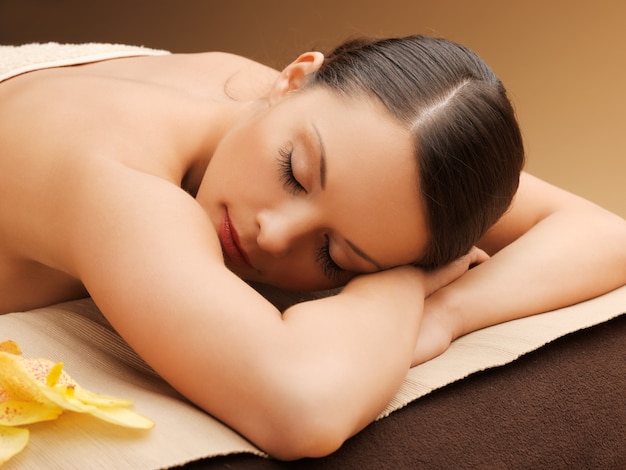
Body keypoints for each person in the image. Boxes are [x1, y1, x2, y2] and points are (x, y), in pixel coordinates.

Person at [0, 35, 625, 459]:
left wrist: (447, 311)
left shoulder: (333, 134)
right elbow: (302, 408)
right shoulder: (106, 170)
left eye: (337, 256)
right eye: (294, 171)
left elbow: (604, 235)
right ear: (295, 79)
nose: (274, 234)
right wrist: (402, 281)